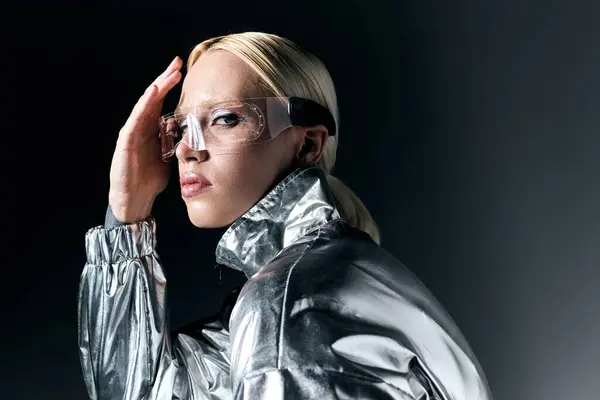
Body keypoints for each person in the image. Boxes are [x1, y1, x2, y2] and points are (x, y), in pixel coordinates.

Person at [78, 32, 493, 400]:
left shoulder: (293, 304)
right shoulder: (317, 283)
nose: (189, 148)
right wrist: (125, 217)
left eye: (225, 118)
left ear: (308, 144)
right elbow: (150, 390)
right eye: (182, 127)